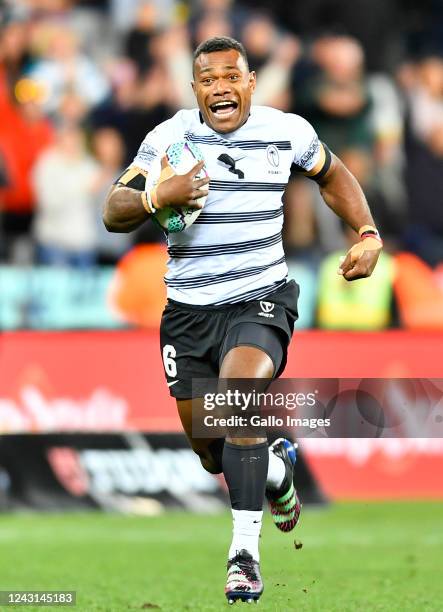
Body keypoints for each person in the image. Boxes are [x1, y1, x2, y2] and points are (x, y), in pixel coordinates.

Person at [103, 36, 382, 604]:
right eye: (208, 79)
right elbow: (114, 210)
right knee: (212, 452)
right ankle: (277, 472)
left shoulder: (288, 131)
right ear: (195, 89)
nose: (220, 87)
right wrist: (162, 193)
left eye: (231, 76)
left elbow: (331, 175)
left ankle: (243, 558)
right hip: (187, 313)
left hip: (261, 296)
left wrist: (369, 233)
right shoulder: (169, 141)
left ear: (251, 82)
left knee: (238, 395)